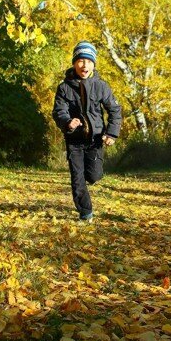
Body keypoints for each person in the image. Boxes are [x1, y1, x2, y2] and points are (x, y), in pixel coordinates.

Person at [52, 41, 122, 222]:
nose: (85, 65)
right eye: (81, 61)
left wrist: (112, 133)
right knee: (78, 178)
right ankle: (85, 212)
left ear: (93, 64)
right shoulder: (64, 87)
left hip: (95, 139)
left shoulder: (101, 86)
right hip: (74, 140)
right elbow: (59, 111)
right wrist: (68, 122)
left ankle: (92, 178)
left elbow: (114, 110)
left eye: (89, 61)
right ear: (74, 63)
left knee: (94, 175)